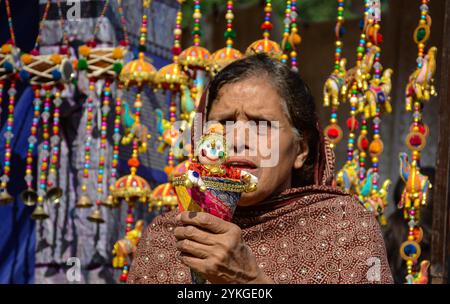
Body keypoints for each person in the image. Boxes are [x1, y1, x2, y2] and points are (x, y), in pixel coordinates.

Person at [127, 54, 393, 284]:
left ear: (301, 150)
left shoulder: (344, 230)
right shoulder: (167, 236)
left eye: (262, 124)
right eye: (223, 123)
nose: (238, 140)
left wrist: (248, 280)